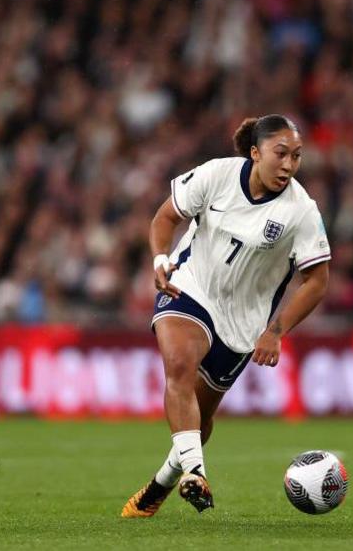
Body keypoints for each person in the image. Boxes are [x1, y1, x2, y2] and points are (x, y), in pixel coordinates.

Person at [121, 115, 331, 517]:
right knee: (179, 365)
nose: (288, 165)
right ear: (255, 152)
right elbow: (165, 217)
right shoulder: (217, 175)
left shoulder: (301, 211)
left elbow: (317, 282)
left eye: (297, 157)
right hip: (190, 286)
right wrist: (161, 258)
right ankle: (195, 472)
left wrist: (276, 330)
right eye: (280, 154)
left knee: (201, 418)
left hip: (243, 325)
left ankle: (164, 481)